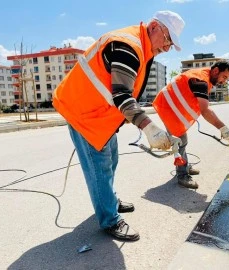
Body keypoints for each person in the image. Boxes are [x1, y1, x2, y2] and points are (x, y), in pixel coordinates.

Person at [52, 11, 185, 241]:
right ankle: (109, 220)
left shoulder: (142, 47)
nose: (167, 47)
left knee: (112, 159)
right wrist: (149, 128)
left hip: (99, 113)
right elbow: (122, 95)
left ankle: (108, 201)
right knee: (100, 169)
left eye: (171, 43)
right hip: (84, 113)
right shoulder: (128, 46)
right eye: (167, 39)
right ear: (154, 27)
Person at [152, 59, 229, 189]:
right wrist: (223, 129)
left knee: (183, 140)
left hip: (172, 106)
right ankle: (182, 175)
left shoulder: (205, 77)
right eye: (224, 77)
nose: (224, 81)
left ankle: (184, 165)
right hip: (168, 107)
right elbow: (205, 110)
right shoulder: (200, 80)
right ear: (216, 71)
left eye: (227, 79)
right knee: (180, 140)